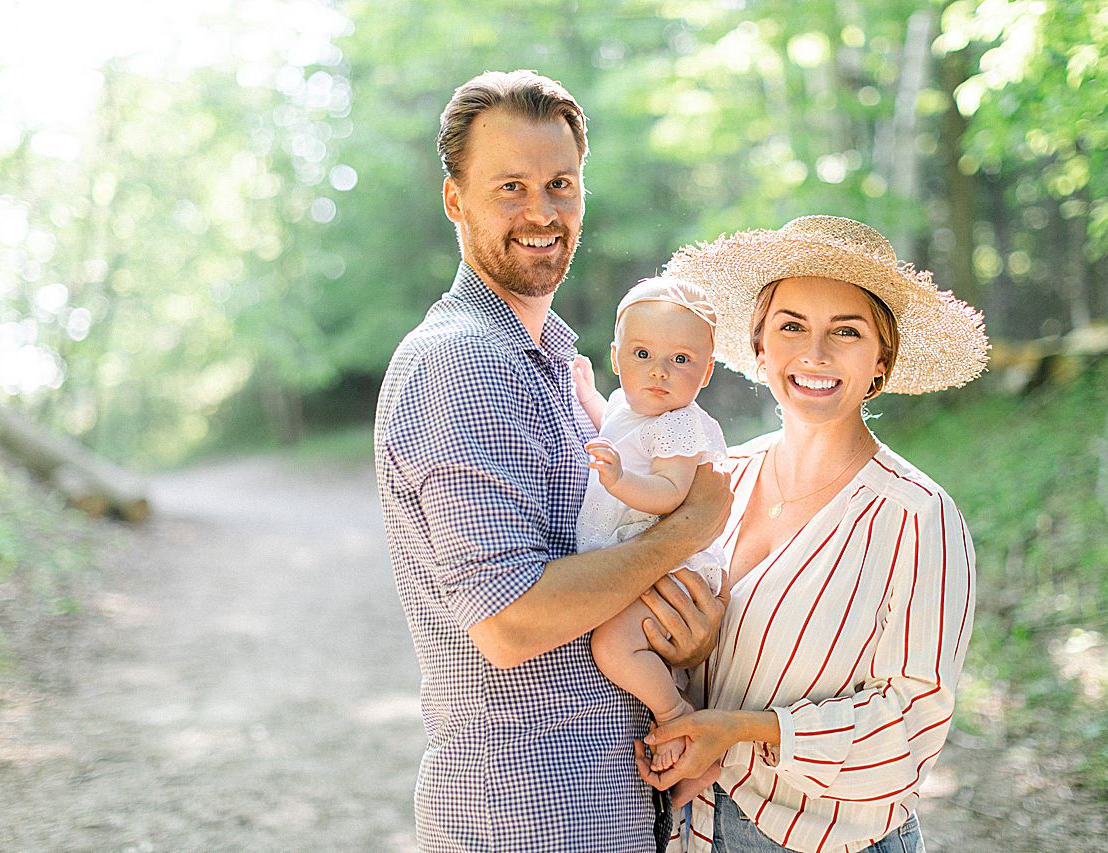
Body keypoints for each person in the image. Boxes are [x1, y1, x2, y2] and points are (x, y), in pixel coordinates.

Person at [373, 70, 732, 852]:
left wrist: (684, 634)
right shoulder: (463, 363)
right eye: (510, 187)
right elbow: (510, 620)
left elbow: (606, 572)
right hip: (529, 813)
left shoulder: (563, 368)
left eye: (560, 184)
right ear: (454, 200)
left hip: (611, 798)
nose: (541, 212)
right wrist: (689, 528)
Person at [638, 215, 989, 853]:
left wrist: (744, 730)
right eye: (792, 326)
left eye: (846, 332)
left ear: (882, 360)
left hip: (820, 839)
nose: (815, 354)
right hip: (689, 830)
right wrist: (687, 661)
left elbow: (910, 724)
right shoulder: (716, 478)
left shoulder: (916, 516)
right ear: (761, 346)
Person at [573, 276, 730, 773]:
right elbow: (613, 425)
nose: (658, 371)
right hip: (636, 553)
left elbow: (669, 492)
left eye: (680, 360)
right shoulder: (628, 403)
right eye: (642, 355)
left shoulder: (680, 424)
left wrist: (617, 478)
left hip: (670, 562)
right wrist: (586, 393)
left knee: (612, 645)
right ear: (616, 358)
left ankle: (672, 711)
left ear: (704, 373)